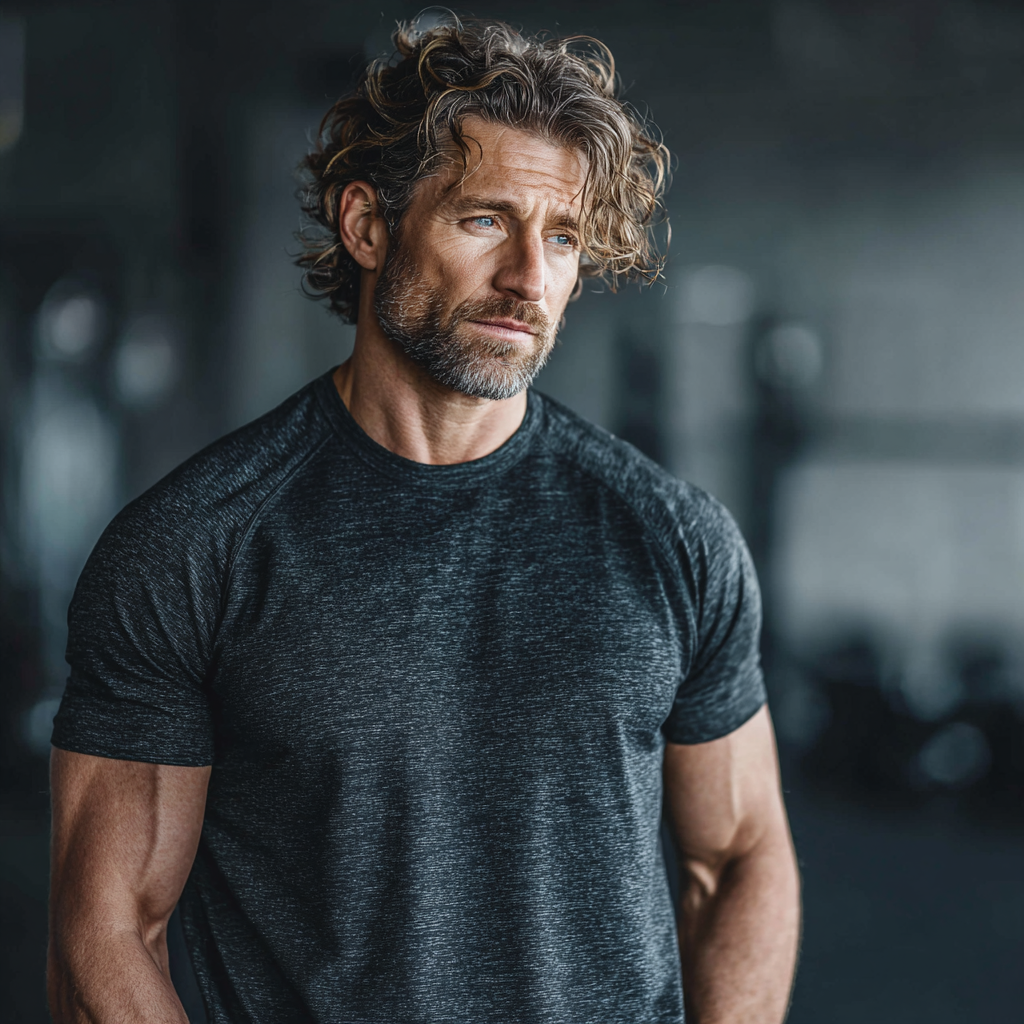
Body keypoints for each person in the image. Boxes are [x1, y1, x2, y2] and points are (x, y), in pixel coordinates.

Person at [47, 17, 800, 1024]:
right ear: (366, 225)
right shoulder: (195, 545)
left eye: (564, 236)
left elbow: (739, 854)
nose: (530, 277)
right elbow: (104, 930)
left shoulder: (672, 539)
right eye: (484, 220)